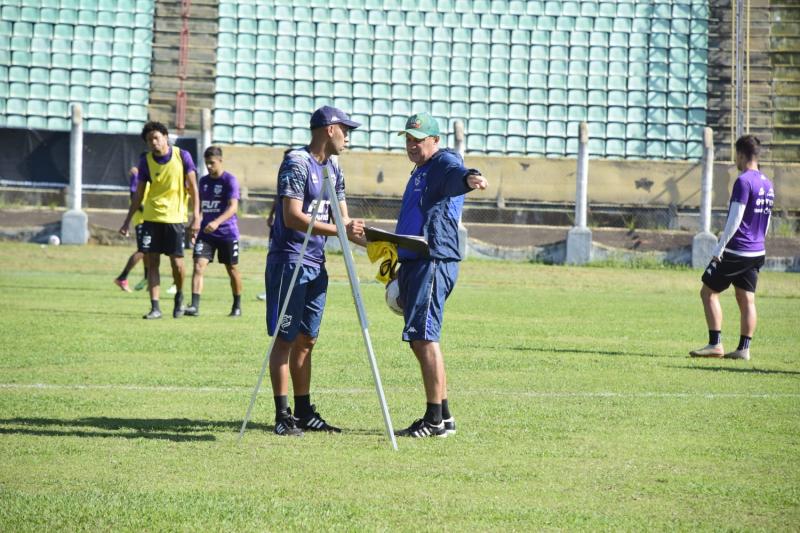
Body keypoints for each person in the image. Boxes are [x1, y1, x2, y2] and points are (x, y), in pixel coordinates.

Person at [265, 106, 365, 436]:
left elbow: (343, 219)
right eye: (345, 130)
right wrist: (340, 230)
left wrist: (373, 241)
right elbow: (292, 216)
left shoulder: (334, 169)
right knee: (285, 338)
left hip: (316, 264)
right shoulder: (296, 162)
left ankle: (305, 410)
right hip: (289, 261)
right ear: (329, 129)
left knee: (307, 339)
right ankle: (283, 415)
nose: (348, 137)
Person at [391, 112, 487, 438]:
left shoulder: (443, 161)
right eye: (408, 139)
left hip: (433, 259)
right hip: (415, 261)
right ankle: (443, 416)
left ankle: (433, 420)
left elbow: (455, 173)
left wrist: (469, 178)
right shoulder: (419, 170)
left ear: (435, 140)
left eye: (418, 139)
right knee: (420, 339)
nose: (412, 145)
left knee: (425, 337)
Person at [690, 135, 775, 361]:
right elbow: (766, 220)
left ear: (740, 154)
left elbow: (735, 219)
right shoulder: (767, 183)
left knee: (708, 292)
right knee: (746, 298)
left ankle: (715, 344)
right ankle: (743, 349)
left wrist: (720, 247)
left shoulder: (743, 181)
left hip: (737, 249)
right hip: (757, 251)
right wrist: (759, 241)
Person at [119, 121, 200, 319]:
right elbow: (138, 194)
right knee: (152, 261)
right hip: (151, 217)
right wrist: (127, 220)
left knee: (177, 264)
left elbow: (193, 189)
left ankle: (179, 296)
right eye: (149, 140)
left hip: (175, 218)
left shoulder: (182, 156)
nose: (153, 142)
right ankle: (155, 307)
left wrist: (196, 217)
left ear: (165, 137)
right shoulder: (146, 161)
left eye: (156, 138)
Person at [184, 146, 243, 317]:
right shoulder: (203, 181)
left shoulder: (229, 180)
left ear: (220, 161)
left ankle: (237, 305)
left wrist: (217, 222)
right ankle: (194, 306)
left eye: (212, 163)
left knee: (231, 269)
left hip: (227, 233)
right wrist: (194, 223)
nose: (209, 166)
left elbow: (233, 207)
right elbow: (200, 207)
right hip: (206, 234)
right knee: (198, 265)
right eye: (206, 163)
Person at [114, 165, 149, 292]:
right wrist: (149, 212)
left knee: (148, 251)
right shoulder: (139, 175)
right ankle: (122, 278)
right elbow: (135, 198)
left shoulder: (151, 175)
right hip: (142, 219)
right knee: (143, 250)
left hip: (148, 219)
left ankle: (147, 278)